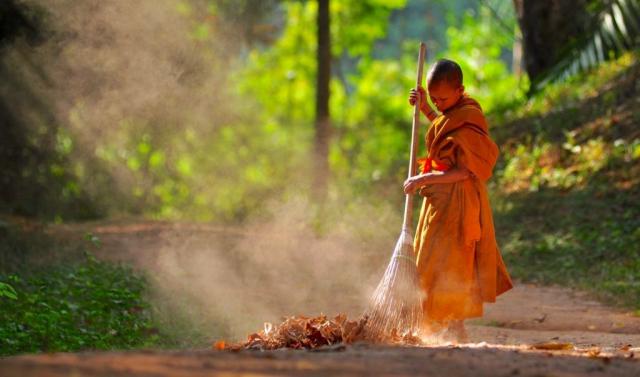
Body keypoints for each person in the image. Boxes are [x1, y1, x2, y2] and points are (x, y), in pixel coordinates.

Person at [405, 59, 513, 343]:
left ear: (460, 90)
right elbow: (445, 133)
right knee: (427, 256)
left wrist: (422, 180)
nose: (439, 104)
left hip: (460, 199)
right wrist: (425, 107)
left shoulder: (470, 116)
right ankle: (431, 320)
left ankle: (455, 325)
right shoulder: (452, 113)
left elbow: (464, 170)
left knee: (454, 261)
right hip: (440, 201)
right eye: (435, 98)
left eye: (442, 98)